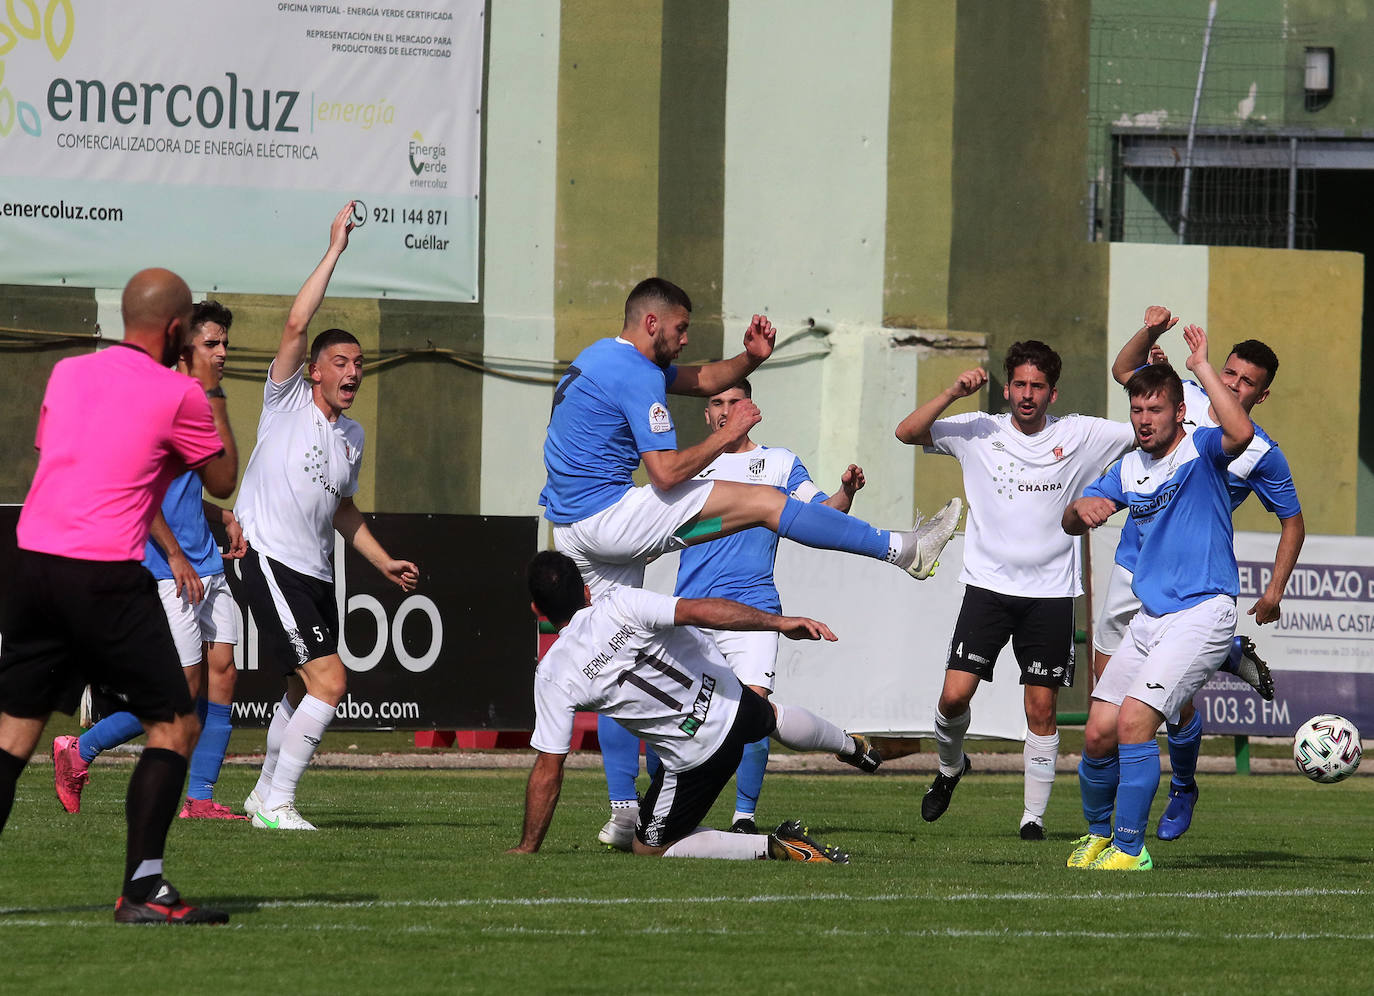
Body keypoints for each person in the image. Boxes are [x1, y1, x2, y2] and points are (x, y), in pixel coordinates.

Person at [0, 268, 237, 923]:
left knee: (12, 737)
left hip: (32, 562)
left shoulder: (68, 373)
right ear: (176, 331)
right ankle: (142, 890)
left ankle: (141, 887)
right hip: (103, 571)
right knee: (176, 722)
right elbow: (222, 478)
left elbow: (73, 458)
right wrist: (212, 389)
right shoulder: (180, 392)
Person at [539, 277, 962, 603]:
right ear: (653, 323)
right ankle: (905, 550)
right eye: (680, 329)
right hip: (608, 518)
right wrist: (729, 432)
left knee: (606, 651)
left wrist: (751, 358)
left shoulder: (601, 355)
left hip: (569, 525)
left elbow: (703, 379)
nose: (685, 340)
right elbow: (664, 474)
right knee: (765, 501)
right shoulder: (638, 374)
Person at [594, 380, 870, 848]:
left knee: (753, 712)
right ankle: (651, 813)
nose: (725, 410)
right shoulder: (688, 466)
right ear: (706, 415)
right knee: (669, 717)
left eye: (734, 401)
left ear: (751, 407)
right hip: (691, 610)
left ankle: (744, 816)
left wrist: (845, 493)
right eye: (716, 403)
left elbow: (822, 513)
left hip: (754, 607)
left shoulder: (779, 462)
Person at [894, 341, 1136, 839]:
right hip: (987, 589)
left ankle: (1033, 820)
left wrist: (1155, 372)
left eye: (1037, 386)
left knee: (1041, 709)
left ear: (1053, 393)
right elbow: (907, 432)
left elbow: (1149, 430)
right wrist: (952, 392)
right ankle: (950, 767)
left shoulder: (1080, 433)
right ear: (1007, 389)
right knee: (953, 698)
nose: (1027, 394)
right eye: (1020, 385)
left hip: (1051, 595)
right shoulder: (977, 430)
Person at [234, 203, 420, 831]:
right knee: (330, 682)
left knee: (300, 688)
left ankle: (263, 795)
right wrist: (336, 247)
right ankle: (278, 804)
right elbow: (296, 322)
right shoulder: (285, 400)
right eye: (340, 362)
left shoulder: (352, 436)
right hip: (267, 559)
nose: (352, 371)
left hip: (315, 573)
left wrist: (382, 560)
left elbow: (341, 508)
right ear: (313, 371)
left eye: (358, 364)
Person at [511, 551, 879, 861]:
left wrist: (528, 847)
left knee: (648, 846)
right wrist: (779, 623)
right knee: (771, 716)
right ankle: (851, 746)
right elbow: (700, 610)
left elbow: (549, 768)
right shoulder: (622, 601)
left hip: (697, 754)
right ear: (587, 591)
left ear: (536, 609)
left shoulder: (554, 671)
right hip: (731, 702)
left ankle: (774, 846)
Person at [1096, 306, 1304, 841]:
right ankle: (1105, 828)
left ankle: (1180, 788)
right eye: (1229, 372)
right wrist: (1151, 332)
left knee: (1157, 701)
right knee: (1108, 706)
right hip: (1132, 567)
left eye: (1247, 382)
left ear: (1262, 395)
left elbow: (1293, 522)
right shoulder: (1181, 396)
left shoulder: (1257, 449)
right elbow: (1124, 371)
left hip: (1189, 587)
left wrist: (1274, 590)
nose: (1233, 384)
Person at [1063, 324, 1253, 871]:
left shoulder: (1202, 448)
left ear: (1179, 413)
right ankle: (1098, 837)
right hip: (1153, 617)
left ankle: (1131, 850)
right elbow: (1070, 519)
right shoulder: (1127, 468)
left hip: (1204, 612)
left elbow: (1240, 432)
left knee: (1133, 722)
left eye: (1155, 409)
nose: (1144, 419)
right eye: (1137, 409)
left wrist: (1201, 368)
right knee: (1097, 733)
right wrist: (1079, 510)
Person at [53, 301, 251, 821]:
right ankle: (80, 749)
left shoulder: (202, 404)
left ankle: (200, 799)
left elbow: (181, 489)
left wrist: (222, 515)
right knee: (178, 693)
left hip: (204, 564)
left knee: (224, 674)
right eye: (212, 344)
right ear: (185, 348)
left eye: (225, 344)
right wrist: (176, 554)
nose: (222, 353)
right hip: (168, 568)